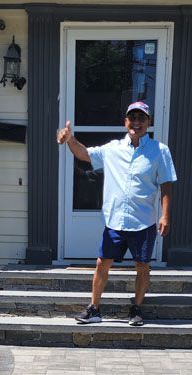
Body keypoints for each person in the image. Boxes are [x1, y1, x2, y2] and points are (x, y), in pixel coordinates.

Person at [56, 101, 177, 326]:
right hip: (115, 220)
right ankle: (94, 309)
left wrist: (165, 215)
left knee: (142, 265)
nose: (137, 122)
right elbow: (84, 154)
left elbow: (167, 184)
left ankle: (137, 308)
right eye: (133, 118)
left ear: (149, 122)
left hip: (144, 221)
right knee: (102, 262)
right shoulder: (112, 149)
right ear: (126, 122)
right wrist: (70, 139)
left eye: (142, 118)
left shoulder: (160, 151)